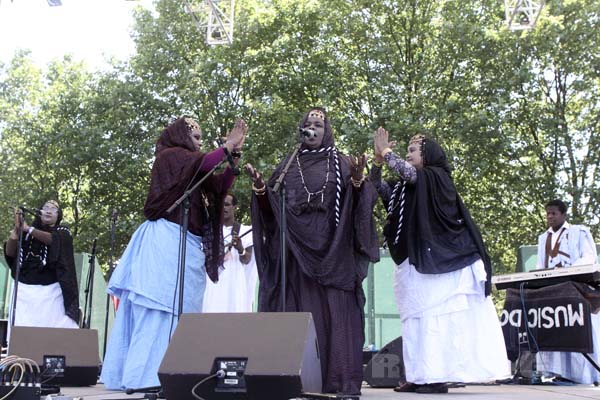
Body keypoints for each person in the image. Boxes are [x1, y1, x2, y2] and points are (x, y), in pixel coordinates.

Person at [101, 116, 247, 390]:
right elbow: (203, 162)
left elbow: (217, 188)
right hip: (164, 241)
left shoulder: (191, 167)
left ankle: (175, 374)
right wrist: (227, 145)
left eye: (202, 138)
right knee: (158, 310)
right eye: (196, 136)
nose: (200, 142)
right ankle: (145, 379)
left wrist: (232, 161)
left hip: (187, 244)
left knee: (181, 314)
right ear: (181, 135)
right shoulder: (170, 157)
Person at [245, 107, 380, 395]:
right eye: (308, 124)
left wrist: (357, 183)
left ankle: (339, 380)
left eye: (318, 125)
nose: (313, 129)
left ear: (327, 130)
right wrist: (260, 191)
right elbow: (273, 213)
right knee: (297, 313)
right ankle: (292, 379)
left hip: (334, 254)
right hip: (294, 255)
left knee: (337, 315)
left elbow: (362, 205)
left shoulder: (341, 162)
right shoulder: (288, 164)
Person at [371, 128, 509, 393]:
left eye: (413, 151)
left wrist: (387, 152)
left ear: (428, 154)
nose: (408, 155)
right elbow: (378, 188)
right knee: (414, 321)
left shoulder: (436, 178)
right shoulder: (407, 187)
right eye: (407, 151)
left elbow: (410, 174)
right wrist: (378, 161)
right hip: (414, 262)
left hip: (441, 266)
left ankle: (435, 377)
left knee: (435, 321)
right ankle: (418, 375)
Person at [535, 199, 599, 384]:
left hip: (577, 288)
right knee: (558, 330)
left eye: (554, 213)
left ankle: (586, 375)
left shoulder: (579, 232)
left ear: (564, 215)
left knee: (580, 331)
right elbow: (541, 264)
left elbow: (589, 257)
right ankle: (560, 373)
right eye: (548, 213)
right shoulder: (543, 238)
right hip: (554, 290)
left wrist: (567, 271)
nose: (550, 217)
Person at [3, 200, 79, 329]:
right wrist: (16, 232)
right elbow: (10, 253)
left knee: (54, 329)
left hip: (52, 291)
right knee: (23, 329)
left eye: (54, 209)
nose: (49, 210)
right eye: (46, 207)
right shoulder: (26, 233)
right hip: (24, 290)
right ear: (39, 212)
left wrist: (28, 229)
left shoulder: (63, 231)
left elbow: (54, 240)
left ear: (58, 215)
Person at [202, 192, 257, 312]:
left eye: (226, 204)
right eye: (220, 205)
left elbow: (247, 260)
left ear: (235, 207)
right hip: (213, 283)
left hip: (235, 283)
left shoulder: (245, 230)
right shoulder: (211, 231)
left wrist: (240, 249)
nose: (223, 208)